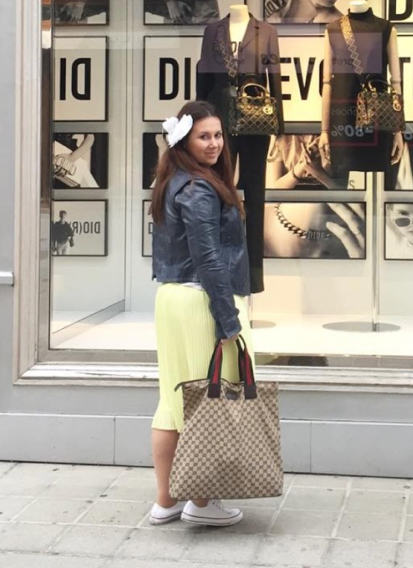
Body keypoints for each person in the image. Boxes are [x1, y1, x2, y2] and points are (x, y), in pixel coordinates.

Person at [148, 100, 252, 527]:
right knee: (208, 402)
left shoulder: (173, 182)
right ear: (184, 142)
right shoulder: (198, 189)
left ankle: (167, 501)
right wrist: (228, 320)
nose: (213, 144)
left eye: (218, 135)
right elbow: (209, 259)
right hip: (200, 303)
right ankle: (202, 503)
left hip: (173, 298)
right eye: (203, 136)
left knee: (173, 402)